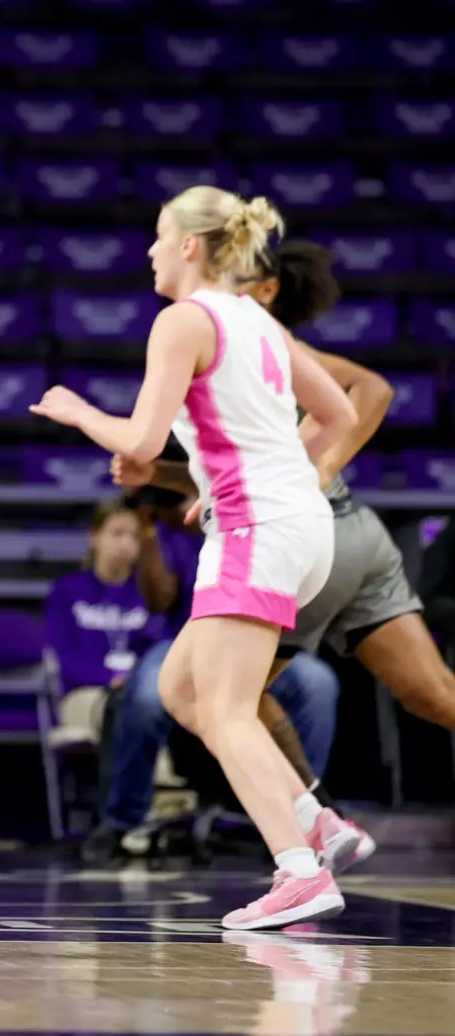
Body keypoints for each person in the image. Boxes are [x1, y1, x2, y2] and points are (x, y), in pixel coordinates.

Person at [31, 185, 359, 930]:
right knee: (182, 690)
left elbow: (142, 445)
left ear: (187, 245)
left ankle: (299, 872)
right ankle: (315, 820)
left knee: (225, 709)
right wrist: (254, 478)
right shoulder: (261, 321)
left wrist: (80, 412)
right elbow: (337, 414)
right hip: (302, 525)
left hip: (257, 530)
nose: (148, 250)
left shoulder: (184, 319)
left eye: (156, 236)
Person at [116, 239, 455, 866]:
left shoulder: (250, 333)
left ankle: (314, 819)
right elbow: (231, 469)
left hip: (303, 538)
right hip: (354, 537)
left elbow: (371, 389)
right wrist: (160, 477)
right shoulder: (236, 337)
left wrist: (322, 465)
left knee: (216, 698)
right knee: (433, 695)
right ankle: (316, 815)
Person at [82, 495, 340, 865]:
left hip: (255, 635)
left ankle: (303, 819)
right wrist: (149, 529)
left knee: (318, 683)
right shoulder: (167, 527)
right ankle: (121, 820)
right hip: (183, 638)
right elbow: (158, 600)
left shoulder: (258, 507)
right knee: (145, 697)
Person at [44, 498, 166, 744]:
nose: (126, 543)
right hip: (84, 693)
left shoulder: (151, 593)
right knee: (122, 711)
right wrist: (110, 678)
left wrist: (135, 681)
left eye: (134, 536)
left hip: (141, 690)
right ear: (95, 537)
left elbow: (159, 649)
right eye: (117, 534)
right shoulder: (67, 591)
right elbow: (62, 657)